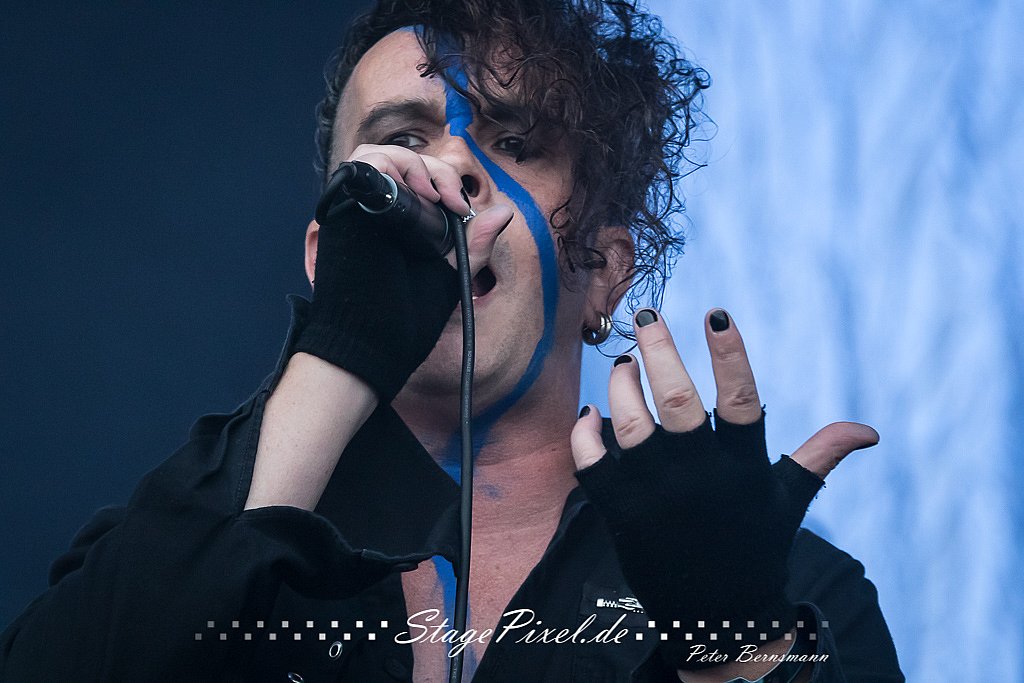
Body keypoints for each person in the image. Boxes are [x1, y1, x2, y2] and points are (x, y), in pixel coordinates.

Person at [0, 1, 904, 681]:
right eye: (402, 138)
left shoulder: (792, 588)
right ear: (328, 253)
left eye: (516, 141)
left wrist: (736, 651)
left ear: (604, 266)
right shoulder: (171, 538)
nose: (455, 167)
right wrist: (341, 349)